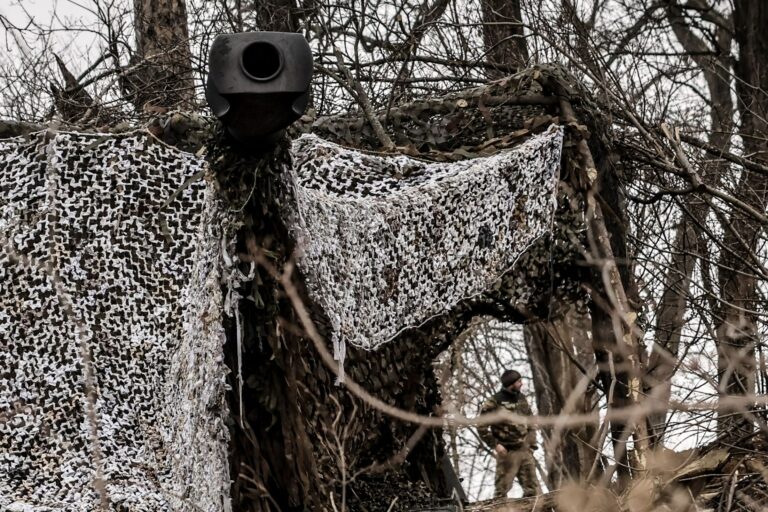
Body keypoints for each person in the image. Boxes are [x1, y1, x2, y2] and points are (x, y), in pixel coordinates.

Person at [478, 369, 541, 498]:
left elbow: (531, 422)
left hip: (524, 452)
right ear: (511, 384)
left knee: (533, 492)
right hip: (506, 453)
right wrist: (496, 445)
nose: (521, 384)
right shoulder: (494, 401)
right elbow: (481, 426)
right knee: (501, 493)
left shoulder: (521, 398)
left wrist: (531, 446)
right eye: (519, 381)